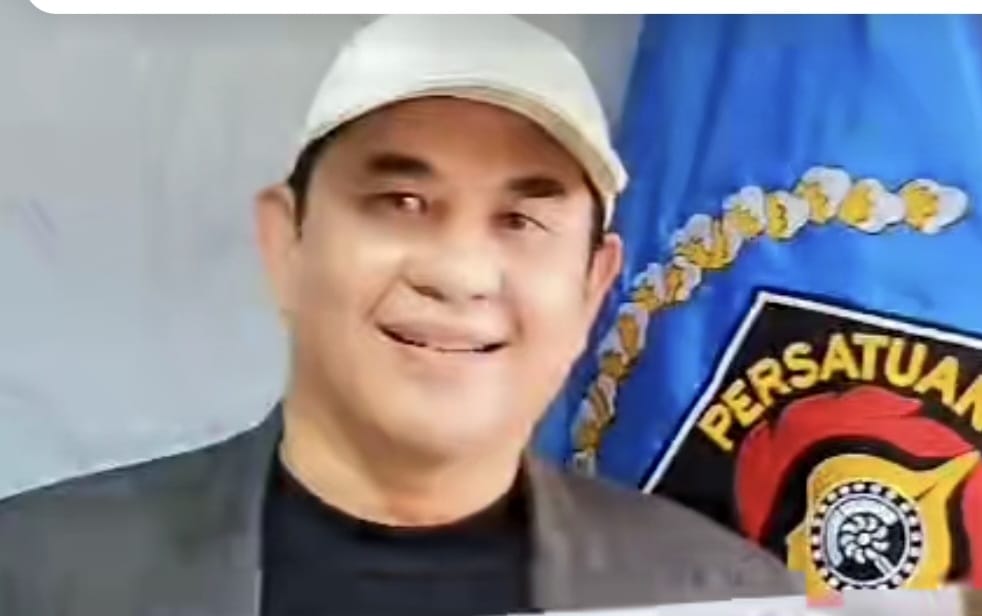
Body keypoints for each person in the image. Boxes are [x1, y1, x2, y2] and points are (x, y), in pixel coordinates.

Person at [0, 15, 799, 615]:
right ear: (286, 242)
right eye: (401, 201)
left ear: (593, 285)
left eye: (521, 220)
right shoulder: (34, 573)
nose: (458, 274)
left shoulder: (723, 596)